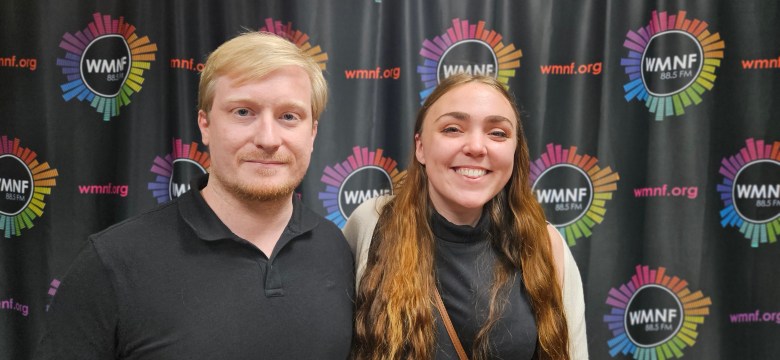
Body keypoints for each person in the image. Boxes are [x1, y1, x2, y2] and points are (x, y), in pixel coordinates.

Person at [34, 32, 354, 359]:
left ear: (312, 132)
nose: (268, 139)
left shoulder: (336, 250)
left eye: (289, 116)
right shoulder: (112, 264)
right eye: (243, 112)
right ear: (205, 124)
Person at [344, 73, 588, 359]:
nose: (475, 146)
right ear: (421, 147)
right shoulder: (371, 224)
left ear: (514, 150)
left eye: (497, 133)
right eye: (452, 129)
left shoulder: (545, 245)